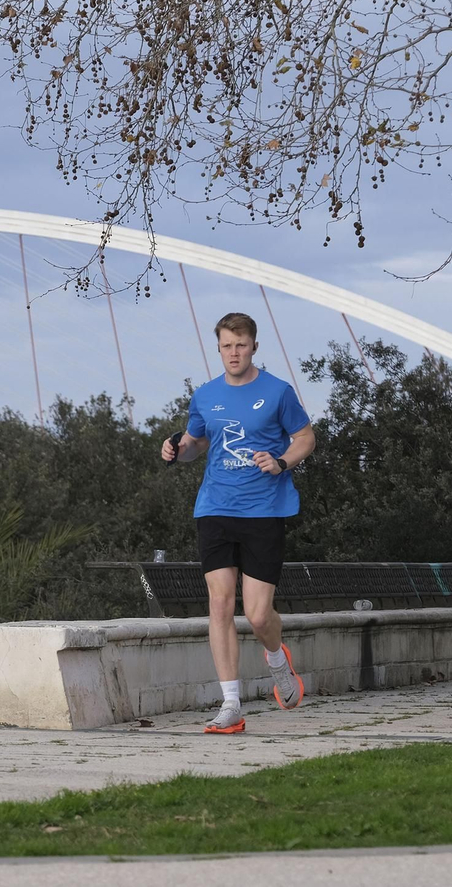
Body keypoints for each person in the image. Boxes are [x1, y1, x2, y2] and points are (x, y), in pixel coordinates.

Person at [161, 311, 316, 734]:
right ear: (218, 347)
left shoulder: (277, 392)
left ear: (253, 346)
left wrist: (281, 461)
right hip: (215, 507)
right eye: (227, 344)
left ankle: (278, 662)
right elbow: (195, 443)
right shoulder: (206, 395)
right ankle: (231, 705)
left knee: (260, 615)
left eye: (241, 344)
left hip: (265, 510)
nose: (234, 352)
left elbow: (306, 438)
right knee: (220, 602)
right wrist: (178, 447)